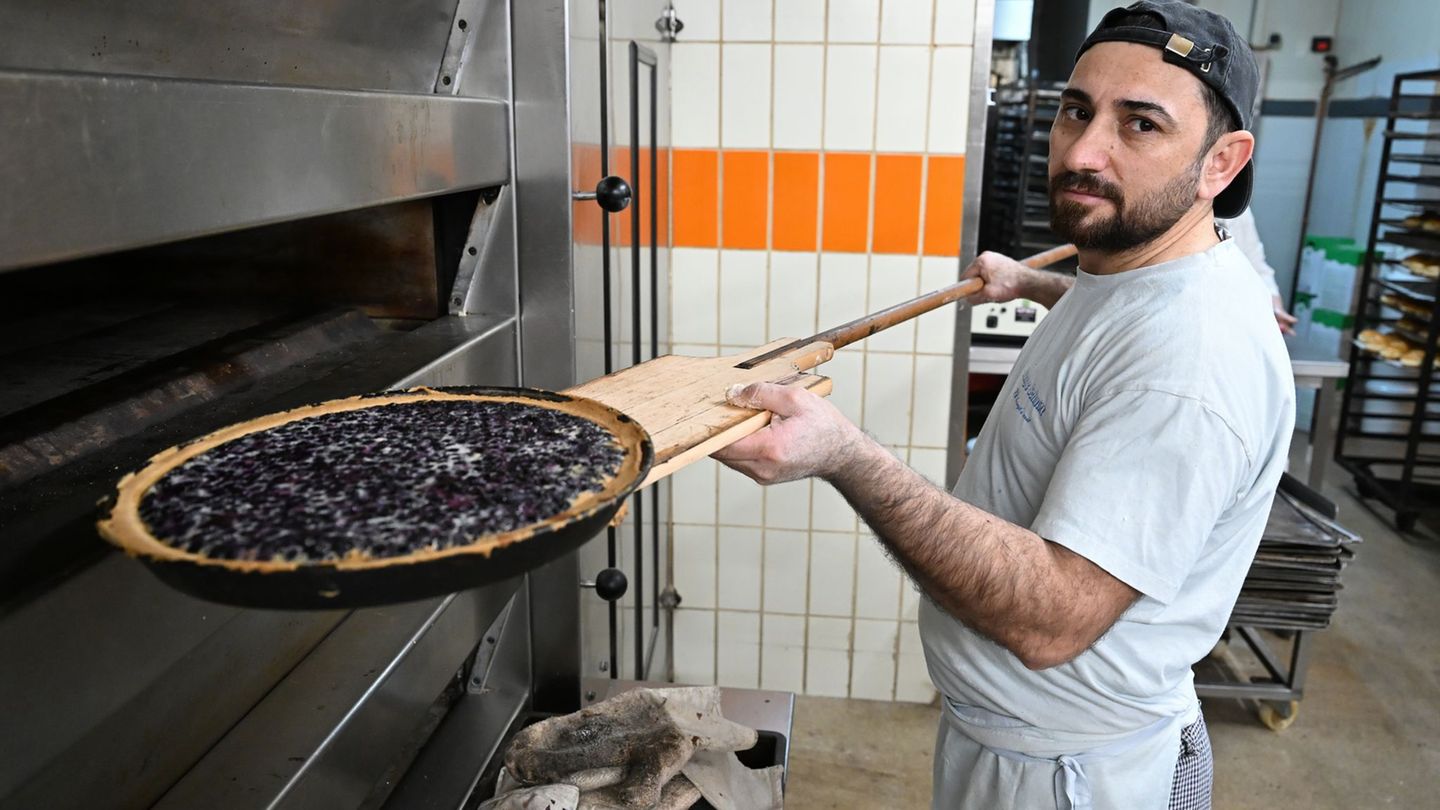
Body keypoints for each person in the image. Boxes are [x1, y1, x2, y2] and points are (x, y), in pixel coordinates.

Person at [712, 2, 1294, 808]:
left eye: (1141, 126)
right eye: (1076, 110)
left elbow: (1051, 618)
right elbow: (1120, 329)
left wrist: (843, 454)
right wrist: (1033, 284)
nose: (1083, 152)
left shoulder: (1191, 365)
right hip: (1026, 742)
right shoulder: (1141, 270)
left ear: (1221, 163)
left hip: (1066, 777)